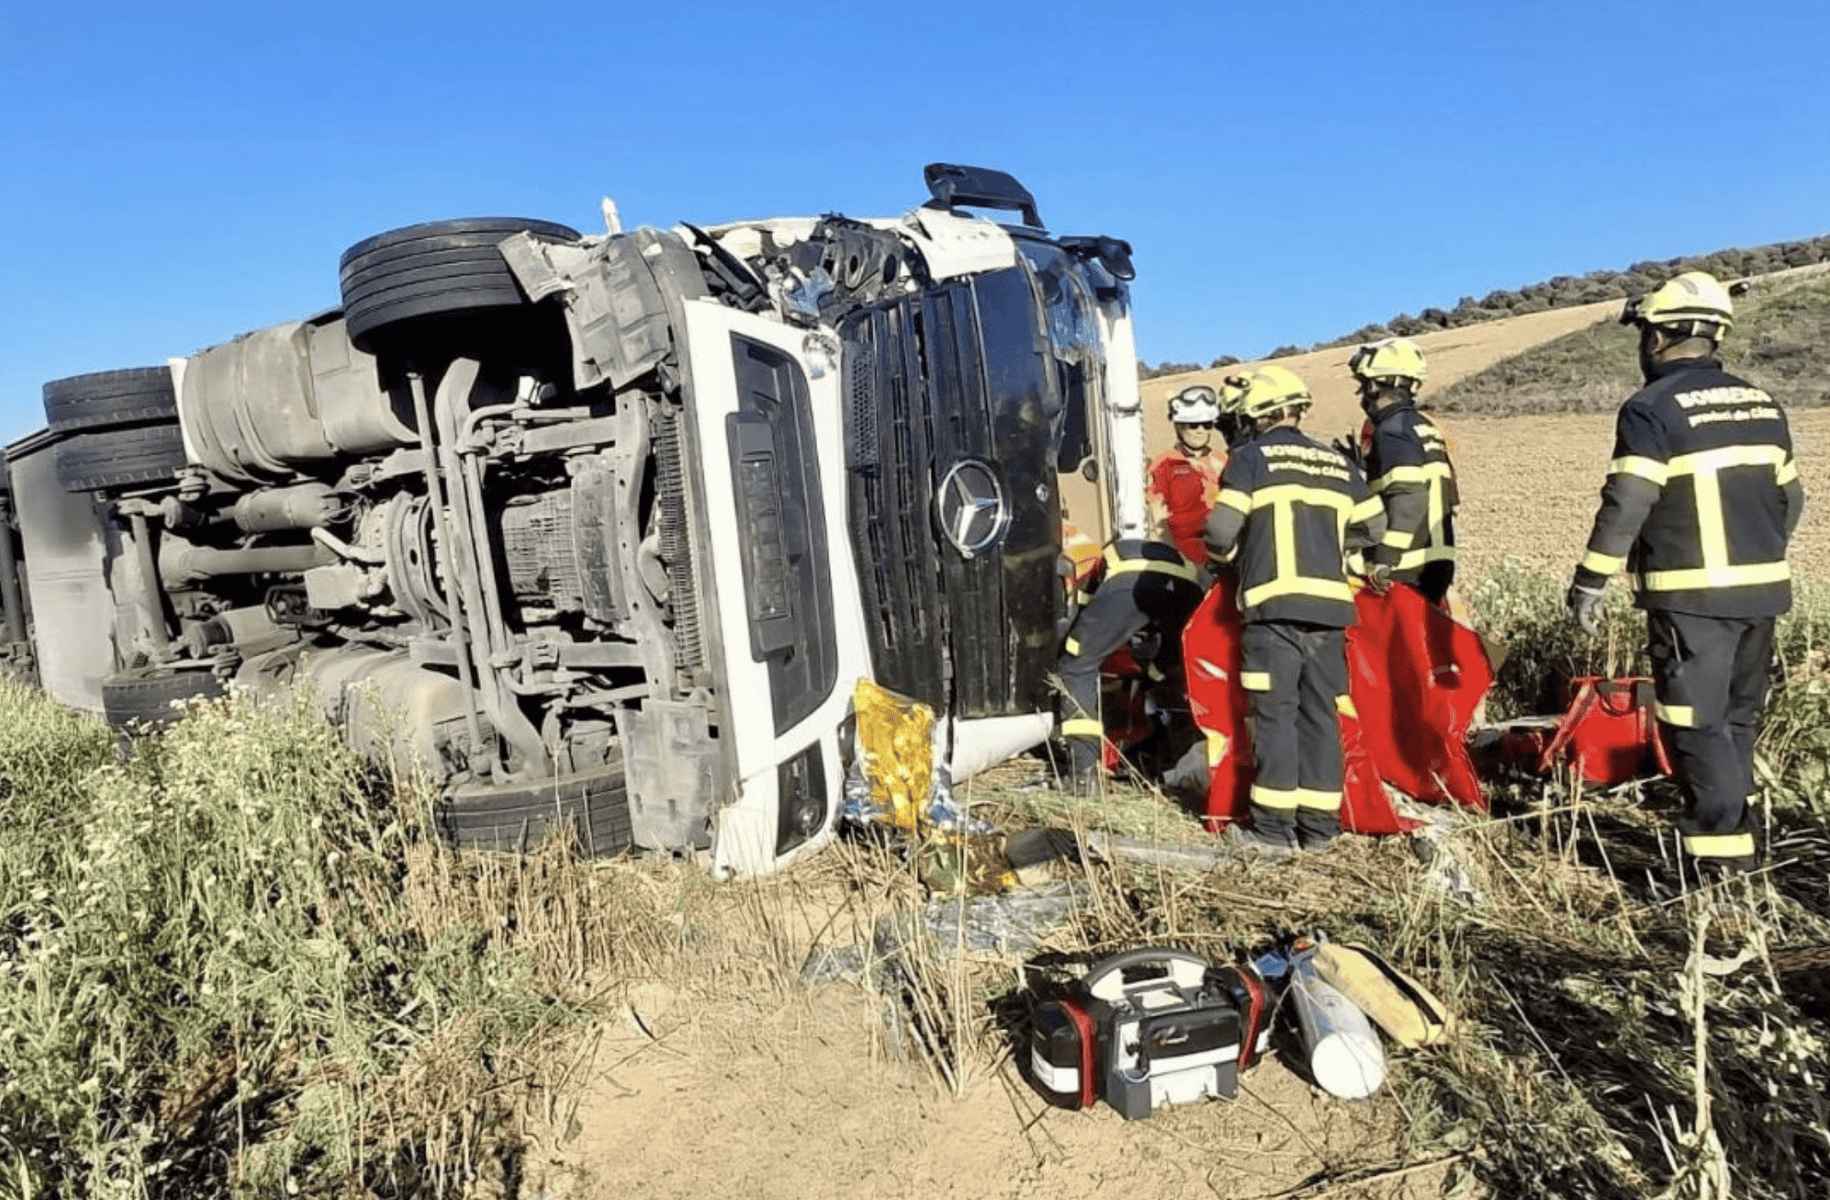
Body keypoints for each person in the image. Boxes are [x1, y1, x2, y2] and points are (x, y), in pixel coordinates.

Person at [1566, 271, 1804, 876]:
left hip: (1692, 598)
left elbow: (1628, 500)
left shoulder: (1652, 409)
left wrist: (1591, 580)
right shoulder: (1761, 403)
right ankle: (1746, 847)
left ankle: (1716, 869)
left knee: (1693, 723)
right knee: (1737, 720)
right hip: (1762, 592)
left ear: (1658, 338)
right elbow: (1791, 499)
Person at [1202, 365, 1387, 852]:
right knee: (1320, 716)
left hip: (1272, 612)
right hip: (1330, 613)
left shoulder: (1250, 460)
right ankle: (1321, 830)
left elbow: (1220, 534)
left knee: (1275, 716)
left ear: (1256, 415)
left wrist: (1227, 560)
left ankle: (1271, 832)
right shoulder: (1338, 465)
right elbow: (1375, 527)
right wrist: (1326, 541)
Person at [1055, 540, 1206, 792]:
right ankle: (1181, 761)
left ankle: (1083, 775)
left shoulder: (1080, 566)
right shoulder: (1121, 549)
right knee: (1168, 672)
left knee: (1075, 668)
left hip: (1130, 586)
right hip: (1187, 591)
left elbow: (1086, 623)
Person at [1349, 337, 1460, 603]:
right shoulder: (1424, 427)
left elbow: (1409, 497)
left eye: (1363, 386)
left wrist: (1385, 558)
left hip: (1406, 566)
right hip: (1437, 561)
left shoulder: (1391, 431)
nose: (1362, 396)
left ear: (1375, 385)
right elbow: (1451, 498)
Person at [1149, 384, 1232, 563]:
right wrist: (1178, 562)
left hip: (1224, 554)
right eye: (1193, 425)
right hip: (1184, 557)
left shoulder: (1224, 460)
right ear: (1179, 426)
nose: (1201, 430)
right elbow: (1159, 521)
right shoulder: (1165, 464)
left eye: (1207, 424)